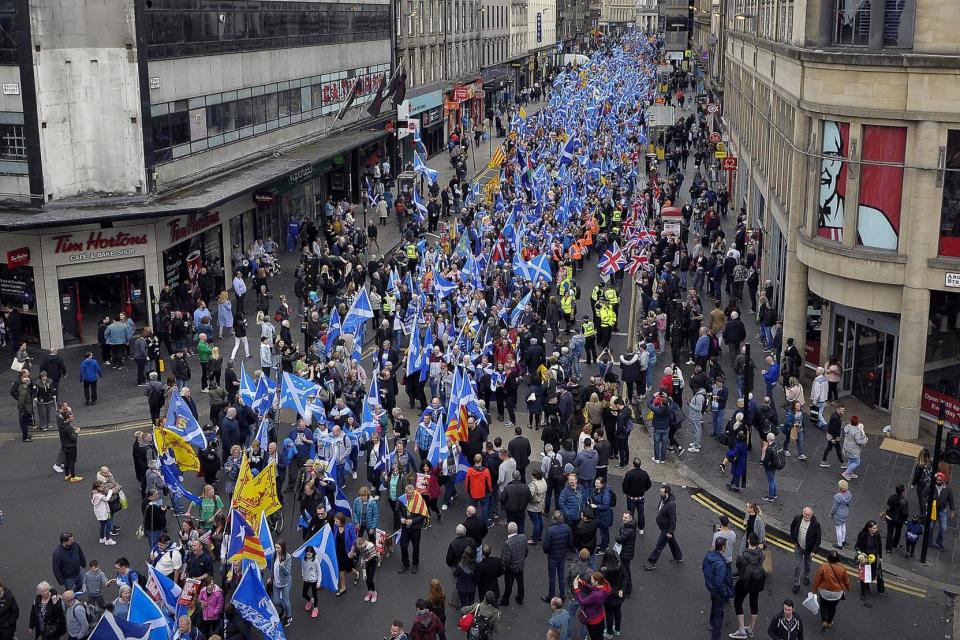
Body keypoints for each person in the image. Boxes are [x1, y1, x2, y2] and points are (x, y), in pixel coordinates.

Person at [728, 533, 765, 639]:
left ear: (748, 541)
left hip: (745, 581)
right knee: (754, 603)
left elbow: (739, 567)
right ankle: (750, 629)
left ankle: (741, 630)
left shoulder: (742, 555)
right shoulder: (762, 554)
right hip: (757, 580)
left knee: (738, 602)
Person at [644, 484, 683, 570]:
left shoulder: (671, 505)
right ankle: (678, 556)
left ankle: (651, 562)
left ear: (667, 493)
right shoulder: (663, 499)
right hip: (663, 527)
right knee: (672, 541)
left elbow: (673, 519)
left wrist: (670, 531)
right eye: (660, 492)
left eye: (661, 492)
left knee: (659, 546)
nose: (660, 493)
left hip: (666, 529)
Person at [702, 538, 734, 640]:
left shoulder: (708, 556)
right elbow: (719, 582)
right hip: (718, 591)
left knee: (714, 604)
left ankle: (711, 622)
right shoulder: (720, 563)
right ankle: (716, 636)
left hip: (711, 587)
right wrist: (726, 593)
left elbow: (704, 568)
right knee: (719, 614)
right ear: (723, 547)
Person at [812, 550, 849, 632]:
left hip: (825, 592)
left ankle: (824, 620)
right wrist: (848, 588)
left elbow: (817, 580)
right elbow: (846, 581)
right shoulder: (842, 569)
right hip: (837, 593)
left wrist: (814, 591)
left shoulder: (823, 567)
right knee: (833, 607)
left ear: (828, 558)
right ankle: (829, 622)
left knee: (823, 606)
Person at [541, 511, 572, 602]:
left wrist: (547, 551)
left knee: (552, 576)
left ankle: (551, 595)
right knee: (561, 575)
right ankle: (562, 594)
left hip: (552, 556)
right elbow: (570, 542)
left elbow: (546, 546)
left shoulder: (551, 530)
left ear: (553, 519)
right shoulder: (567, 528)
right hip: (562, 555)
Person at [789, 507, 821, 594]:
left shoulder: (815, 523)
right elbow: (792, 528)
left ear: (811, 514)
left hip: (809, 550)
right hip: (798, 546)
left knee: (808, 564)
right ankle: (797, 583)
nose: (807, 516)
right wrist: (794, 540)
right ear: (803, 513)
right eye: (805, 514)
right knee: (797, 566)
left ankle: (806, 576)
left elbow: (818, 538)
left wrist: (814, 551)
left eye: (809, 514)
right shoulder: (797, 518)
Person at [572, 572, 610, 640]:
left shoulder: (596, 595)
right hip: (600, 615)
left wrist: (576, 588)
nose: (591, 581)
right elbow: (594, 588)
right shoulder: (604, 587)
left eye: (592, 580)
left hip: (592, 619)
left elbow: (582, 602)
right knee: (600, 635)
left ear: (596, 581)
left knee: (594, 637)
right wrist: (582, 582)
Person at [397, 485, 426, 574]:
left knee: (416, 547)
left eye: (412, 492)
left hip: (415, 528)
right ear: (406, 493)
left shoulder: (419, 499)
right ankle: (405, 564)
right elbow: (398, 511)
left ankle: (415, 564)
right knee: (403, 546)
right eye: (409, 493)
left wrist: (412, 521)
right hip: (405, 527)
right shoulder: (401, 499)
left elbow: (423, 515)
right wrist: (401, 518)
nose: (411, 495)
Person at [854, 520, 883, 605]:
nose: (876, 529)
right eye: (874, 528)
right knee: (863, 575)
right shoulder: (863, 535)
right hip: (865, 557)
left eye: (876, 528)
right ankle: (863, 591)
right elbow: (857, 546)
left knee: (871, 574)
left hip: (873, 557)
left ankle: (867, 585)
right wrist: (861, 554)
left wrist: (880, 557)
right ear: (869, 528)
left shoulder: (877, 535)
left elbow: (879, 546)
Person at [500, 521, 528, 606]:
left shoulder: (507, 543)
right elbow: (526, 551)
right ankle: (520, 598)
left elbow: (505, 559)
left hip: (511, 568)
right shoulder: (523, 537)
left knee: (508, 585)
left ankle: (505, 600)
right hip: (520, 565)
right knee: (520, 582)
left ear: (508, 530)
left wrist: (505, 566)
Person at [621, 458, 651, 532]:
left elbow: (625, 486)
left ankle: (630, 526)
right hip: (640, 497)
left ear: (633, 464)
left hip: (631, 497)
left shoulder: (629, 474)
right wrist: (644, 490)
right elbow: (649, 484)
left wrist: (626, 492)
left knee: (631, 513)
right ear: (640, 464)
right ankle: (641, 528)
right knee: (641, 513)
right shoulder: (644, 473)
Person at [928, 471, 955, 551]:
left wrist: (952, 511)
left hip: (942, 510)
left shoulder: (948, 489)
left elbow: (951, 500)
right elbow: (923, 494)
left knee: (943, 528)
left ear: (943, 480)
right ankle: (929, 541)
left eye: (940, 480)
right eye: (937, 480)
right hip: (933, 510)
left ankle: (939, 542)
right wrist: (926, 505)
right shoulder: (931, 486)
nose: (938, 482)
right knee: (931, 527)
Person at [268, 540, 292, 626]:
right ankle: (284, 609)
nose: (276, 549)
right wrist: (271, 577)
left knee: (286, 600)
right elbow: (272, 567)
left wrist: (282, 566)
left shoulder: (288, 557)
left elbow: (288, 573)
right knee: (276, 601)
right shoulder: (274, 555)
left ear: (283, 547)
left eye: (278, 547)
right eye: (275, 547)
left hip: (285, 582)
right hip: (276, 582)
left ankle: (288, 616)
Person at [883, 485, 909, 553]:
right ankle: (895, 544)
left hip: (890, 517)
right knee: (898, 531)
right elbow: (904, 513)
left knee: (890, 532)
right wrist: (905, 519)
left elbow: (888, 504)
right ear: (903, 492)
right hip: (899, 519)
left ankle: (888, 548)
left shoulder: (891, 497)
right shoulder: (904, 501)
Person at [841, 416, 868, 481]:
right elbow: (859, 441)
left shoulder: (847, 427)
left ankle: (850, 473)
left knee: (851, 459)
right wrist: (865, 439)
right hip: (853, 449)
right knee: (856, 462)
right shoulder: (856, 432)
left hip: (847, 447)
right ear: (857, 423)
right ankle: (846, 473)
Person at [830, 480, 853, 549]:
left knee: (838, 529)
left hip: (838, 514)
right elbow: (849, 503)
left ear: (840, 488)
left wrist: (831, 513)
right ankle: (843, 540)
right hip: (845, 512)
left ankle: (839, 545)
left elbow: (834, 507)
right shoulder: (849, 493)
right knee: (843, 526)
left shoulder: (837, 496)